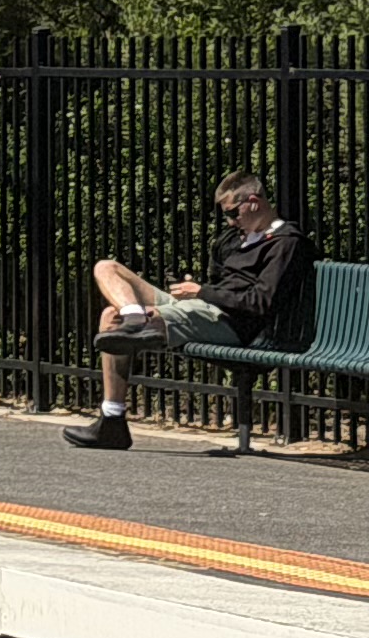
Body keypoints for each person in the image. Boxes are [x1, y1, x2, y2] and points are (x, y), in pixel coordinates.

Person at [70, 170, 307, 450]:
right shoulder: (235, 239)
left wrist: (202, 292)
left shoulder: (285, 242)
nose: (231, 221)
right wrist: (197, 290)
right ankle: (113, 413)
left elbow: (260, 302)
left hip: (232, 323)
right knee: (106, 271)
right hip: (202, 308)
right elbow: (220, 280)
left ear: (253, 202)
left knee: (121, 320)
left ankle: (137, 332)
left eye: (233, 213)